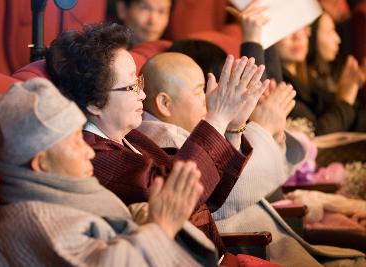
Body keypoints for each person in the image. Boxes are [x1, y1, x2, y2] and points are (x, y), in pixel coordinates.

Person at [46, 22, 270, 257]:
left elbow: (208, 198)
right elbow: (176, 193)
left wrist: (233, 128)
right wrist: (218, 116)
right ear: (94, 103)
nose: (143, 94)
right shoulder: (93, 156)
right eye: (132, 86)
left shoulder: (132, 136)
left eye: (139, 82)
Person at [138, 51, 366, 267]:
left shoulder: (185, 132)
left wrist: (241, 127)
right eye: (199, 91)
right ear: (165, 104)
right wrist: (263, 128)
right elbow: (223, 197)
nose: (209, 101)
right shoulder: (161, 142)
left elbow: (224, 176)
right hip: (250, 248)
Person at [0, 78, 220, 267]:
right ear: (42, 163)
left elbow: (115, 227)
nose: (89, 151)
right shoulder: (35, 223)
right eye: (76, 143)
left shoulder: (62, 191)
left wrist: (145, 214)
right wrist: (161, 226)